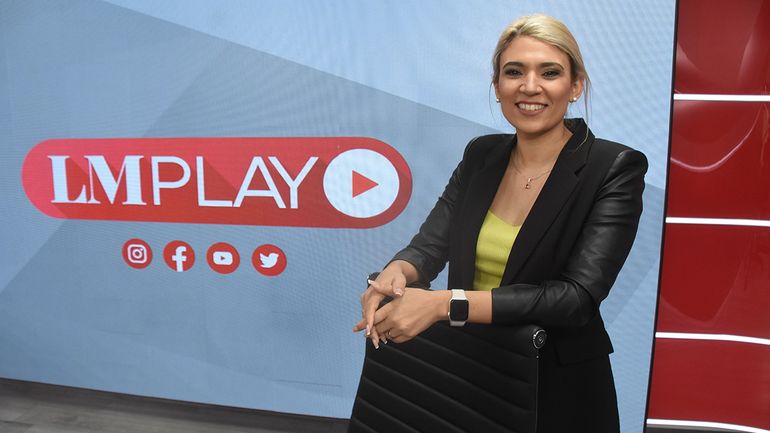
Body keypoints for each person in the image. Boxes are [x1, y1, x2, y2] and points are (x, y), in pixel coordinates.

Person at [353, 13, 647, 433]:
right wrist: (394, 275)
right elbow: (429, 246)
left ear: (575, 86)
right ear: (497, 86)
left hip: (556, 387)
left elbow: (575, 298)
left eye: (550, 72)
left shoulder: (614, 167)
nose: (530, 86)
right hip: (472, 369)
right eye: (514, 72)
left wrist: (442, 304)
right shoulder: (481, 155)